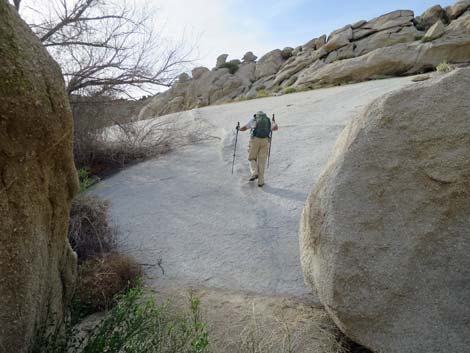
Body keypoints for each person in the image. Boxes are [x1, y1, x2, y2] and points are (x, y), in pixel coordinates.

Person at [237, 111, 278, 187]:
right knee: (262, 161)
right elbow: (275, 128)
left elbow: (244, 127)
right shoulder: (268, 120)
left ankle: (254, 172)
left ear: (257, 115)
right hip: (265, 141)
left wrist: (238, 129)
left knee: (251, 157)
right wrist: (274, 122)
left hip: (255, 140)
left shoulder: (254, 119)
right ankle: (261, 182)